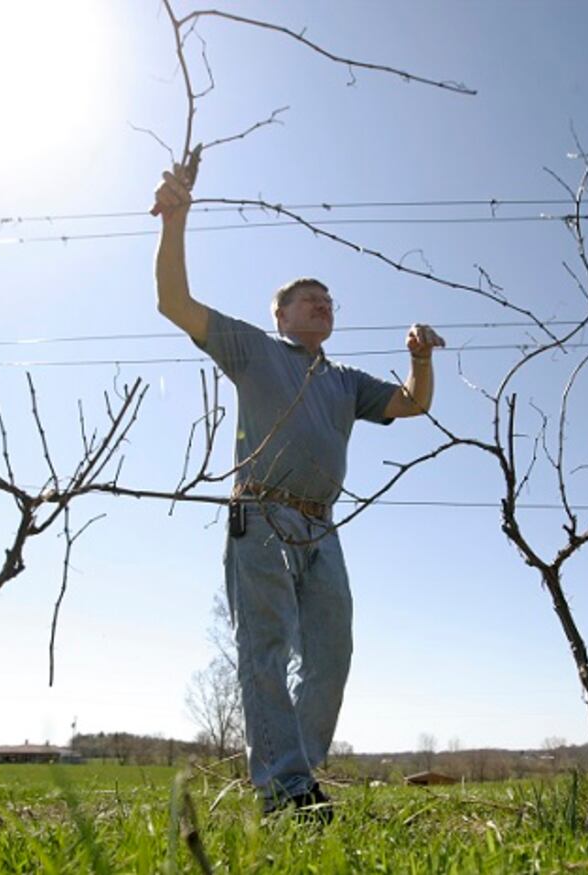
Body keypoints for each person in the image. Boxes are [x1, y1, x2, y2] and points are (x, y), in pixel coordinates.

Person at [152, 160, 444, 818]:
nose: (323, 303)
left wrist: (421, 359)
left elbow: (412, 404)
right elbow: (173, 302)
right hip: (261, 513)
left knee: (332, 650)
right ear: (280, 314)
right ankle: (285, 789)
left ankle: (298, 775)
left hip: (322, 525)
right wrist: (176, 220)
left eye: (329, 299)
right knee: (266, 645)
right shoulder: (253, 349)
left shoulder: (345, 382)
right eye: (308, 297)